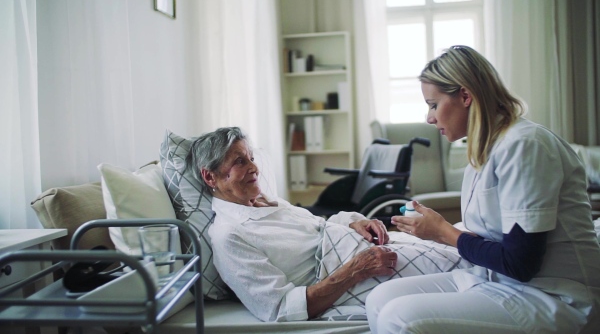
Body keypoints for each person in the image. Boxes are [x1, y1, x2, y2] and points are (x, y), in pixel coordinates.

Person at [365, 45, 600, 333]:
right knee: (379, 299)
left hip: (552, 294)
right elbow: (494, 234)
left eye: (433, 104)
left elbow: (520, 264)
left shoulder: (525, 145)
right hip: (494, 279)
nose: (429, 118)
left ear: (465, 95)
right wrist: (431, 227)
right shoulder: (484, 152)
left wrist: (443, 232)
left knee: (399, 318)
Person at [185, 126, 472, 322]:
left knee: (463, 244)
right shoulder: (229, 236)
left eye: (251, 158)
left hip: (367, 251)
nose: (254, 168)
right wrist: (354, 271)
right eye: (240, 162)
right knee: (468, 271)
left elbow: (318, 226)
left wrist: (355, 222)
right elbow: (281, 309)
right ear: (210, 177)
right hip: (355, 274)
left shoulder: (266, 202)